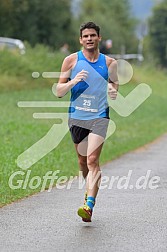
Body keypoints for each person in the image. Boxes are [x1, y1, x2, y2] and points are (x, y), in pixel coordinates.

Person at [56, 21, 119, 222]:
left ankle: (89, 205)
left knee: (92, 160)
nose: (89, 39)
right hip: (77, 117)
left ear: (99, 38)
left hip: (99, 116)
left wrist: (113, 90)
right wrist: (73, 81)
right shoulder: (71, 61)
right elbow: (59, 91)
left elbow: (114, 83)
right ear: (80, 39)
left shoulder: (110, 63)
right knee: (82, 162)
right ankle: (89, 190)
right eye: (86, 36)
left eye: (93, 35)